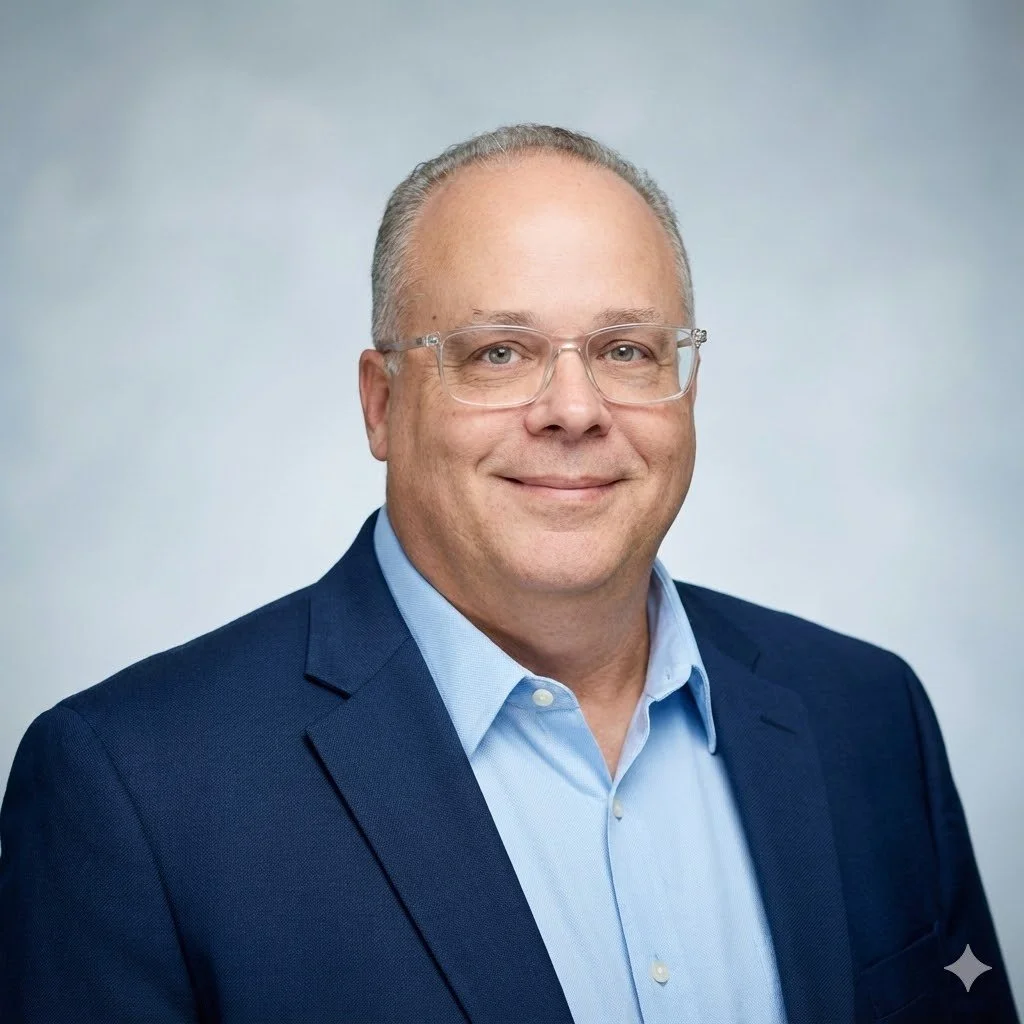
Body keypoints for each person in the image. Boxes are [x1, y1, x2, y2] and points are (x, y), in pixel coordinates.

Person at [0, 124, 1017, 1024]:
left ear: (687, 385)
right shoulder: (133, 789)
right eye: (498, 354)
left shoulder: (866, 715)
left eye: (626, 349)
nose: (572, 409)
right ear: (381, 402)